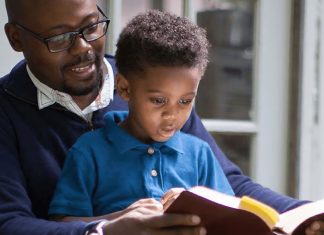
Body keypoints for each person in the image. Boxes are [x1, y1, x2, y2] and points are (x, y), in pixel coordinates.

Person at [0, 0, 323, 235]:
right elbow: (8, 222)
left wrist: (302, 214)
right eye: (59, 38)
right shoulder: (7, 111)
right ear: (16, 38)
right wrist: (106, 229)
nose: (83, 47)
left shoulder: (155, 80)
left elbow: (229, 185)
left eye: (91, 26)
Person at [48, 9, 234, 222]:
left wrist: (196, 203)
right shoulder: (88, 152)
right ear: (125, 88)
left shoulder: (200, 154)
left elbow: (229, 216)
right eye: (158, 100)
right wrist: (120, 220)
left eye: (185, 101)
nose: (172, 114)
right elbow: (63, 224)